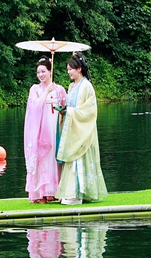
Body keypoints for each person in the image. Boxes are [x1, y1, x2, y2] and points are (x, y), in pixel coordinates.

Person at [55, 53, 107, 205]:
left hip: (84, 128)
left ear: (79, 69)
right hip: (73, 127)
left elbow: (89, 111)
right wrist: (63, 111)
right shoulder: (71, 87)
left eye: (70, 69)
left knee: (79, 159)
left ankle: (78, 194)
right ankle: (71, 192)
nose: (68, 72)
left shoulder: (87, 86)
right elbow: (71, 106)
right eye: (67, 70)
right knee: (72, 159)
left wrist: (70, 112)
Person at [24, 57, 67, 203]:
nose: (40, 75)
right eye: (38, 72)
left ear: (50, 71)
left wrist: (63, 111)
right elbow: (34, 108)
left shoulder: (59, 90)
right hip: (41, 129)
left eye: (43, 71)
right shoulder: (35, 89)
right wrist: (46, 92)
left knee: (55, 158)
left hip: (56, 127)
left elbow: (65, 107)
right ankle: (40, 193)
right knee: (43, 158)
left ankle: (55, 191)